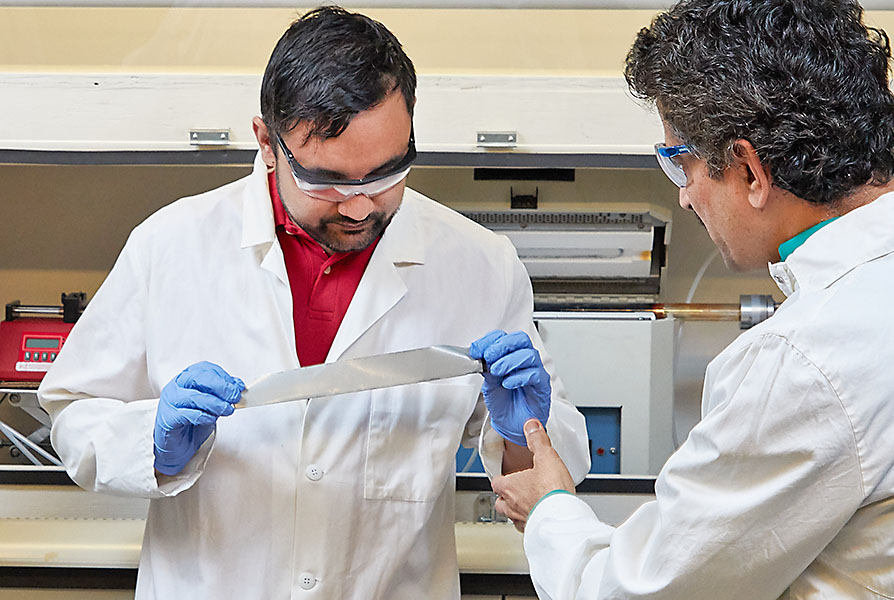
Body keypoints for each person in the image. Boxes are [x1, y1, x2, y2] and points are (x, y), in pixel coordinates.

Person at [38, 6, 589, 599]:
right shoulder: (170, 246)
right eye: (327, 180)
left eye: (385, 174)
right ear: (267, 144)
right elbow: (74, 415)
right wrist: (151, 441)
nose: (359, 207)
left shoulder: (479, 265)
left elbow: (543, 474)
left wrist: (519, 434)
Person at [490, 1, 894, 598]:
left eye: (679, 165)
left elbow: (632, 591)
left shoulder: (806, 360)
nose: (684, 199)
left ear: (750, 171)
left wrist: (550, 507)